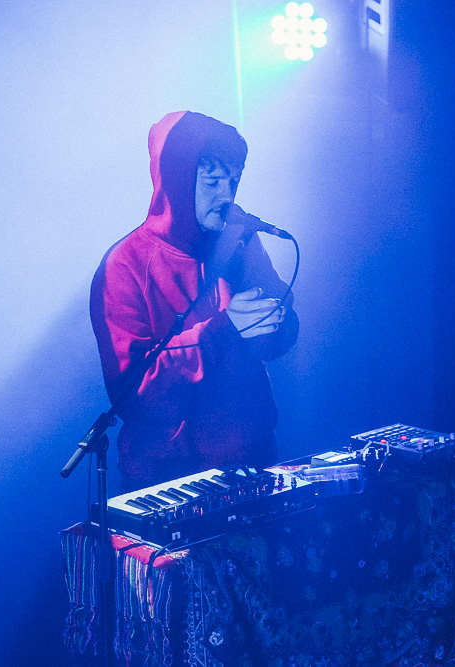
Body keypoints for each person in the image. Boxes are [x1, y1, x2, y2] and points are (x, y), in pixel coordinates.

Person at [90, 111, 299, 493]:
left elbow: (276, 338)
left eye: (233, 181)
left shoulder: (239, 241)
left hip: (254, 461)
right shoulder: (125, 265)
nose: (227, 195)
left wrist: (278, 322)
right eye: (213, 180)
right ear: (175, 177)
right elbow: (134, 394)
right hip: (172, 478)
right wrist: (223, 330)